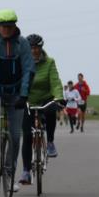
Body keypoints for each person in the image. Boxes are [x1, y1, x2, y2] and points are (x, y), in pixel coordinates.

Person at [0, 9, 35, 190]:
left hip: (16, 91)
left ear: (15, 25)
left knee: (16, 135)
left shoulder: (23, 44)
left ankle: (9, 175)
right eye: (3, 26)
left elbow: (28, 69)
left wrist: (24, 94)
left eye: (10, 26)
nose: (6, 29)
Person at [22, 34, 64, 182]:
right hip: (27, 100)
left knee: (51, 109)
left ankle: (50, 142)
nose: (34, 51)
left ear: (41, 48)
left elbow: (55, 82)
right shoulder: (23, 62)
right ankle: (26, 171)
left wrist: (58, 97)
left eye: (37, 48)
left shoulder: (49, 62)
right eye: (31, 48)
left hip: (45, 98)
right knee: (27, 135)